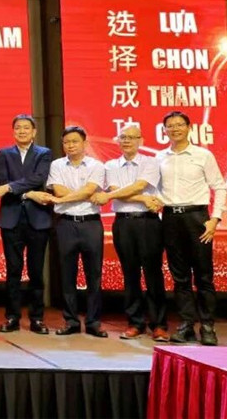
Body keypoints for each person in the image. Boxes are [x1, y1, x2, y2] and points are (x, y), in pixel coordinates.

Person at [91, 123, 168, 341]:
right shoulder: (110, 165)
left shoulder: (151, 162)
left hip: (148, 222)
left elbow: (138, 186)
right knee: (130, 273)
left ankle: (159, 324)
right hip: (123, 223)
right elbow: (116, 191)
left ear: (141, 140)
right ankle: (135, 322)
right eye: (123, 137)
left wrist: (115, 196)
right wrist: (143, 198)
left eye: (132, 137)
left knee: (153, 273)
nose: (127, 141)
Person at [158, 110, 227, 346]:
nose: (175, 129)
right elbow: (155, 190)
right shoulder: (159, 158)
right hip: (170, 218)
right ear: (164, 130)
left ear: (189, 127)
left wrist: (215, 219)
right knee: (179, 277)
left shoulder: (203, 155)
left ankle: (207, 326)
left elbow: (219, 186)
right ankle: (187, 324)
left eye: (179, 124)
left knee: (204, 275)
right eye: (170, 126)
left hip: (197, 218)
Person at [31, 126, 107, 337]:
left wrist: (62, 199)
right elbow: (58, 189)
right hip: (65, 224)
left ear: (85, 143)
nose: (70, 145)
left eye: (75, 141)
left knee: (94, 275)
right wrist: (78, 195)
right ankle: (71, 321)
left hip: (91, 224)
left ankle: (93, 322)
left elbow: (89, 190)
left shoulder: (96, 165)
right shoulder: (56, 165)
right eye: (66, 142)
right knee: (67, 274)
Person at [0, 114, 53, 334]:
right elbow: (1, 182)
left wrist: (14, 189)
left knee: (36, 271)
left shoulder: (43, 153)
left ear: (34, 132)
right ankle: (12, 317)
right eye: (18, 128)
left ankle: (37, 318)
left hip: (38, 219)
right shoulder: (4, 154)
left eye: (26, 128)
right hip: (11, 219)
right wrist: (29, 193)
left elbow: (38, 178)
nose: (22, 131)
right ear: (13, 131)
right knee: (13, 271)